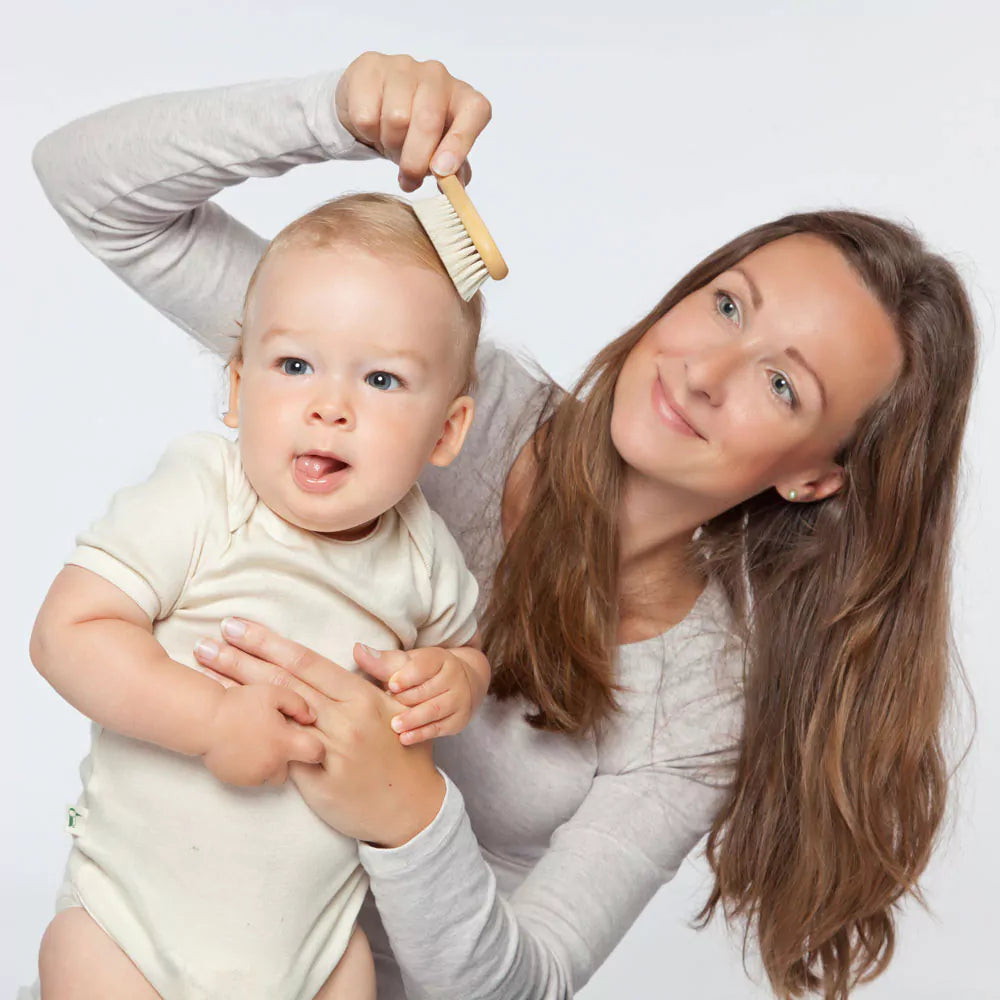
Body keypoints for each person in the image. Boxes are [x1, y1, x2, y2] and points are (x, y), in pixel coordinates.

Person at [30, 52, 978, 1000]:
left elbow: (524, 984)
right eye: (727, 305)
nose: (703, 372)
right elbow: (89, 187)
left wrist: (409, 811)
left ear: (814, 478)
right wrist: (330, 112)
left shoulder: (697, 704)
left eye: (781, 383)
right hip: (142, 950)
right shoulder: (411, 396)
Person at [23, 192, 491, 999]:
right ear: (239, 386)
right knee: (75, 958)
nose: (330, 405)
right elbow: (67, 633)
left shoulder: (425, 557)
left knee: (355, 978)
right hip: (129, 924)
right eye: (295, 365)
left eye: (381, 378)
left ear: (445, 432)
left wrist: (460, 678)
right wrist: (209, 722)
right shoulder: (205, 494)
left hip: (310, 951)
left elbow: (462, 650)